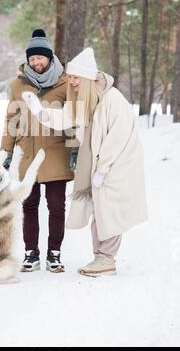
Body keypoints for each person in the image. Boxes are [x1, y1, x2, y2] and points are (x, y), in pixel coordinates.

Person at [22, 47, 148, 277]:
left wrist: (103, 168)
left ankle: (107, 259)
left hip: (118, 162)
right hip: (97, 163)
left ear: (88, 77)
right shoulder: (86, 99)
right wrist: (39, 111)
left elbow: (117, 138)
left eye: (75, 77)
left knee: (108, 209)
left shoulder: (112, 99)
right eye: (69, 76)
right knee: (98, 209)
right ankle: (100, 256)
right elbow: (65, 118)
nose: (71, 81)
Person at [0, 29, 74, 273]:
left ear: (49, 58)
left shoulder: (65, 84)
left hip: (56, 152)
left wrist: (75, 150)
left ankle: (55, 253)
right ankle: (31, 253)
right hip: (27, 153)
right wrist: (6, 151)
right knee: (29, 205)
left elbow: (76, 119)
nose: (36, 62)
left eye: (40, 58)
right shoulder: (18, 86)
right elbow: (10, 120)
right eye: (32, 59)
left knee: (56, 206)